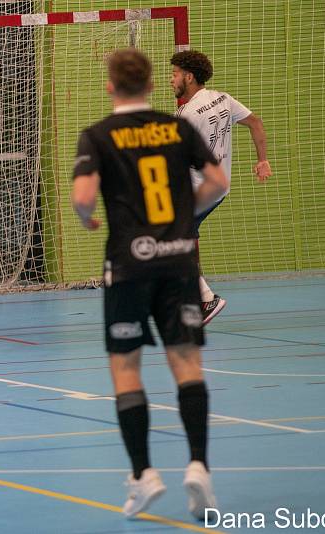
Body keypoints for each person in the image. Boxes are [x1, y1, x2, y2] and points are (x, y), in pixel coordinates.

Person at [71, 48, 228, 520]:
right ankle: (199, 467)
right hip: (179, 262)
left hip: (129, 265)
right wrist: (183, 216)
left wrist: (88, 217)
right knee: (186, 363)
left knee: (126, 369)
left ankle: (143, 474)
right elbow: (217, 180)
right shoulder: (178, 127)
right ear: (154, 84)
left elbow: (81, 198)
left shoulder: (98, 134)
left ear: (110, 86)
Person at [170, 50, 272, 324]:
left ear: (189, 77)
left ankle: (204, 298)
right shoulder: (223, 99)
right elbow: (255, 123)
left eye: (175, 74)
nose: (172, 79)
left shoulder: (187, 113)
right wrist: (262, 161)